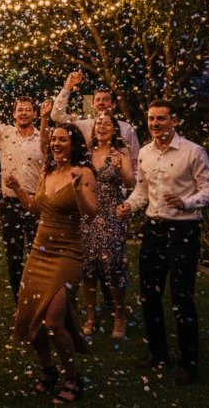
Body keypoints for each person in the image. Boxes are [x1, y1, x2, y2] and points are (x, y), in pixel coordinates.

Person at [118, 99, 209, 385]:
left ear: (174, 121)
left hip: (183, 232)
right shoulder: (145, 153)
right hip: (153, 230)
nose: (155, 124)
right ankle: (158, 353)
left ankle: (188, 364)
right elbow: (142, 190)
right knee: (149, 296)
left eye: (161, 118)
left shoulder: (192, 151)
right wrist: (128, 205)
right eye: (151, 119)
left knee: (181, 299)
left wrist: (186, 202)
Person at [8, 119, 97, 404]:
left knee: (52, 322)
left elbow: (90, 215)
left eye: (62, 140)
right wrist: (18, 189)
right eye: (54, 139)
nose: (56, 144)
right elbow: (37, 209)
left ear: (73, 145)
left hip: (68, 253)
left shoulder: (83, 172)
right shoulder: (46, 171)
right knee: (30, 317)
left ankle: (73, 377)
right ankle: (48, 370)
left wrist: (77, 188)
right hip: (40, 251)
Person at [0, 78, 43, 302]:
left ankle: (38, 298)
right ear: (14, 114)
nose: (23, 113)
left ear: (34, 114)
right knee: (14, 258)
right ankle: (19, 301)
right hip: (11, 204)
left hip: (35, 202)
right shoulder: (4, 134)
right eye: (19, 110)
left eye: (27, 110)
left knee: (37, 253)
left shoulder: (42, 138)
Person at [82, 112, 136, 338]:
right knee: (88, 267)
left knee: (113, 266)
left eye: (106, 124)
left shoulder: (121, 152)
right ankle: (91, 316)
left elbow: (131, 182)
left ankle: (119, 316)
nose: (101, 127)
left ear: (115, 129)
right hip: (88, 215)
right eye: (98, 124)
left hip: (112, 214)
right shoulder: (86, 153)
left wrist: (119, 168)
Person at [50, 72, 140, 168]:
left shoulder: (126, 128)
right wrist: (67, 87)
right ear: (93, 105)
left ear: (113, 105)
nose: (101, 103)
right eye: (97, 100)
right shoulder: (83, 125)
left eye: (105, 99)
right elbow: (56, 115)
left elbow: (136, 161)